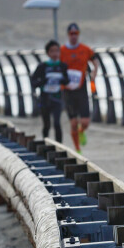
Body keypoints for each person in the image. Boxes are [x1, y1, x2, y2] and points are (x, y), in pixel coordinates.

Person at [60, 23, 98, 152]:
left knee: (85, 121)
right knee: (73, 123)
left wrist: (94, 73)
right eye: (71, 34)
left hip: (81, 88)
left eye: (76, 33)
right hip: (67, 89)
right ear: (68, 35)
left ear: (79, 34)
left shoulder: (85, 49)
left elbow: (95, 60)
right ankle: (77, 149)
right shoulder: (62, 51)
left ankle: (82, 131)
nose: (74, 36)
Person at [30, 40, 70, 142]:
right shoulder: (42, 66)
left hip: (57, 98)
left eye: (57, 51)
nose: (55, 54)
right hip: (44, 99)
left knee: (57, 123)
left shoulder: (62, 66)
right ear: (48, 53)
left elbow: (67, 80)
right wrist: (44, 81)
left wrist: (61, 80)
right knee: (46, 124)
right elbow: (34, 82)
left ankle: (59, 147)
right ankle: (45, 143)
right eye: (52, 51)